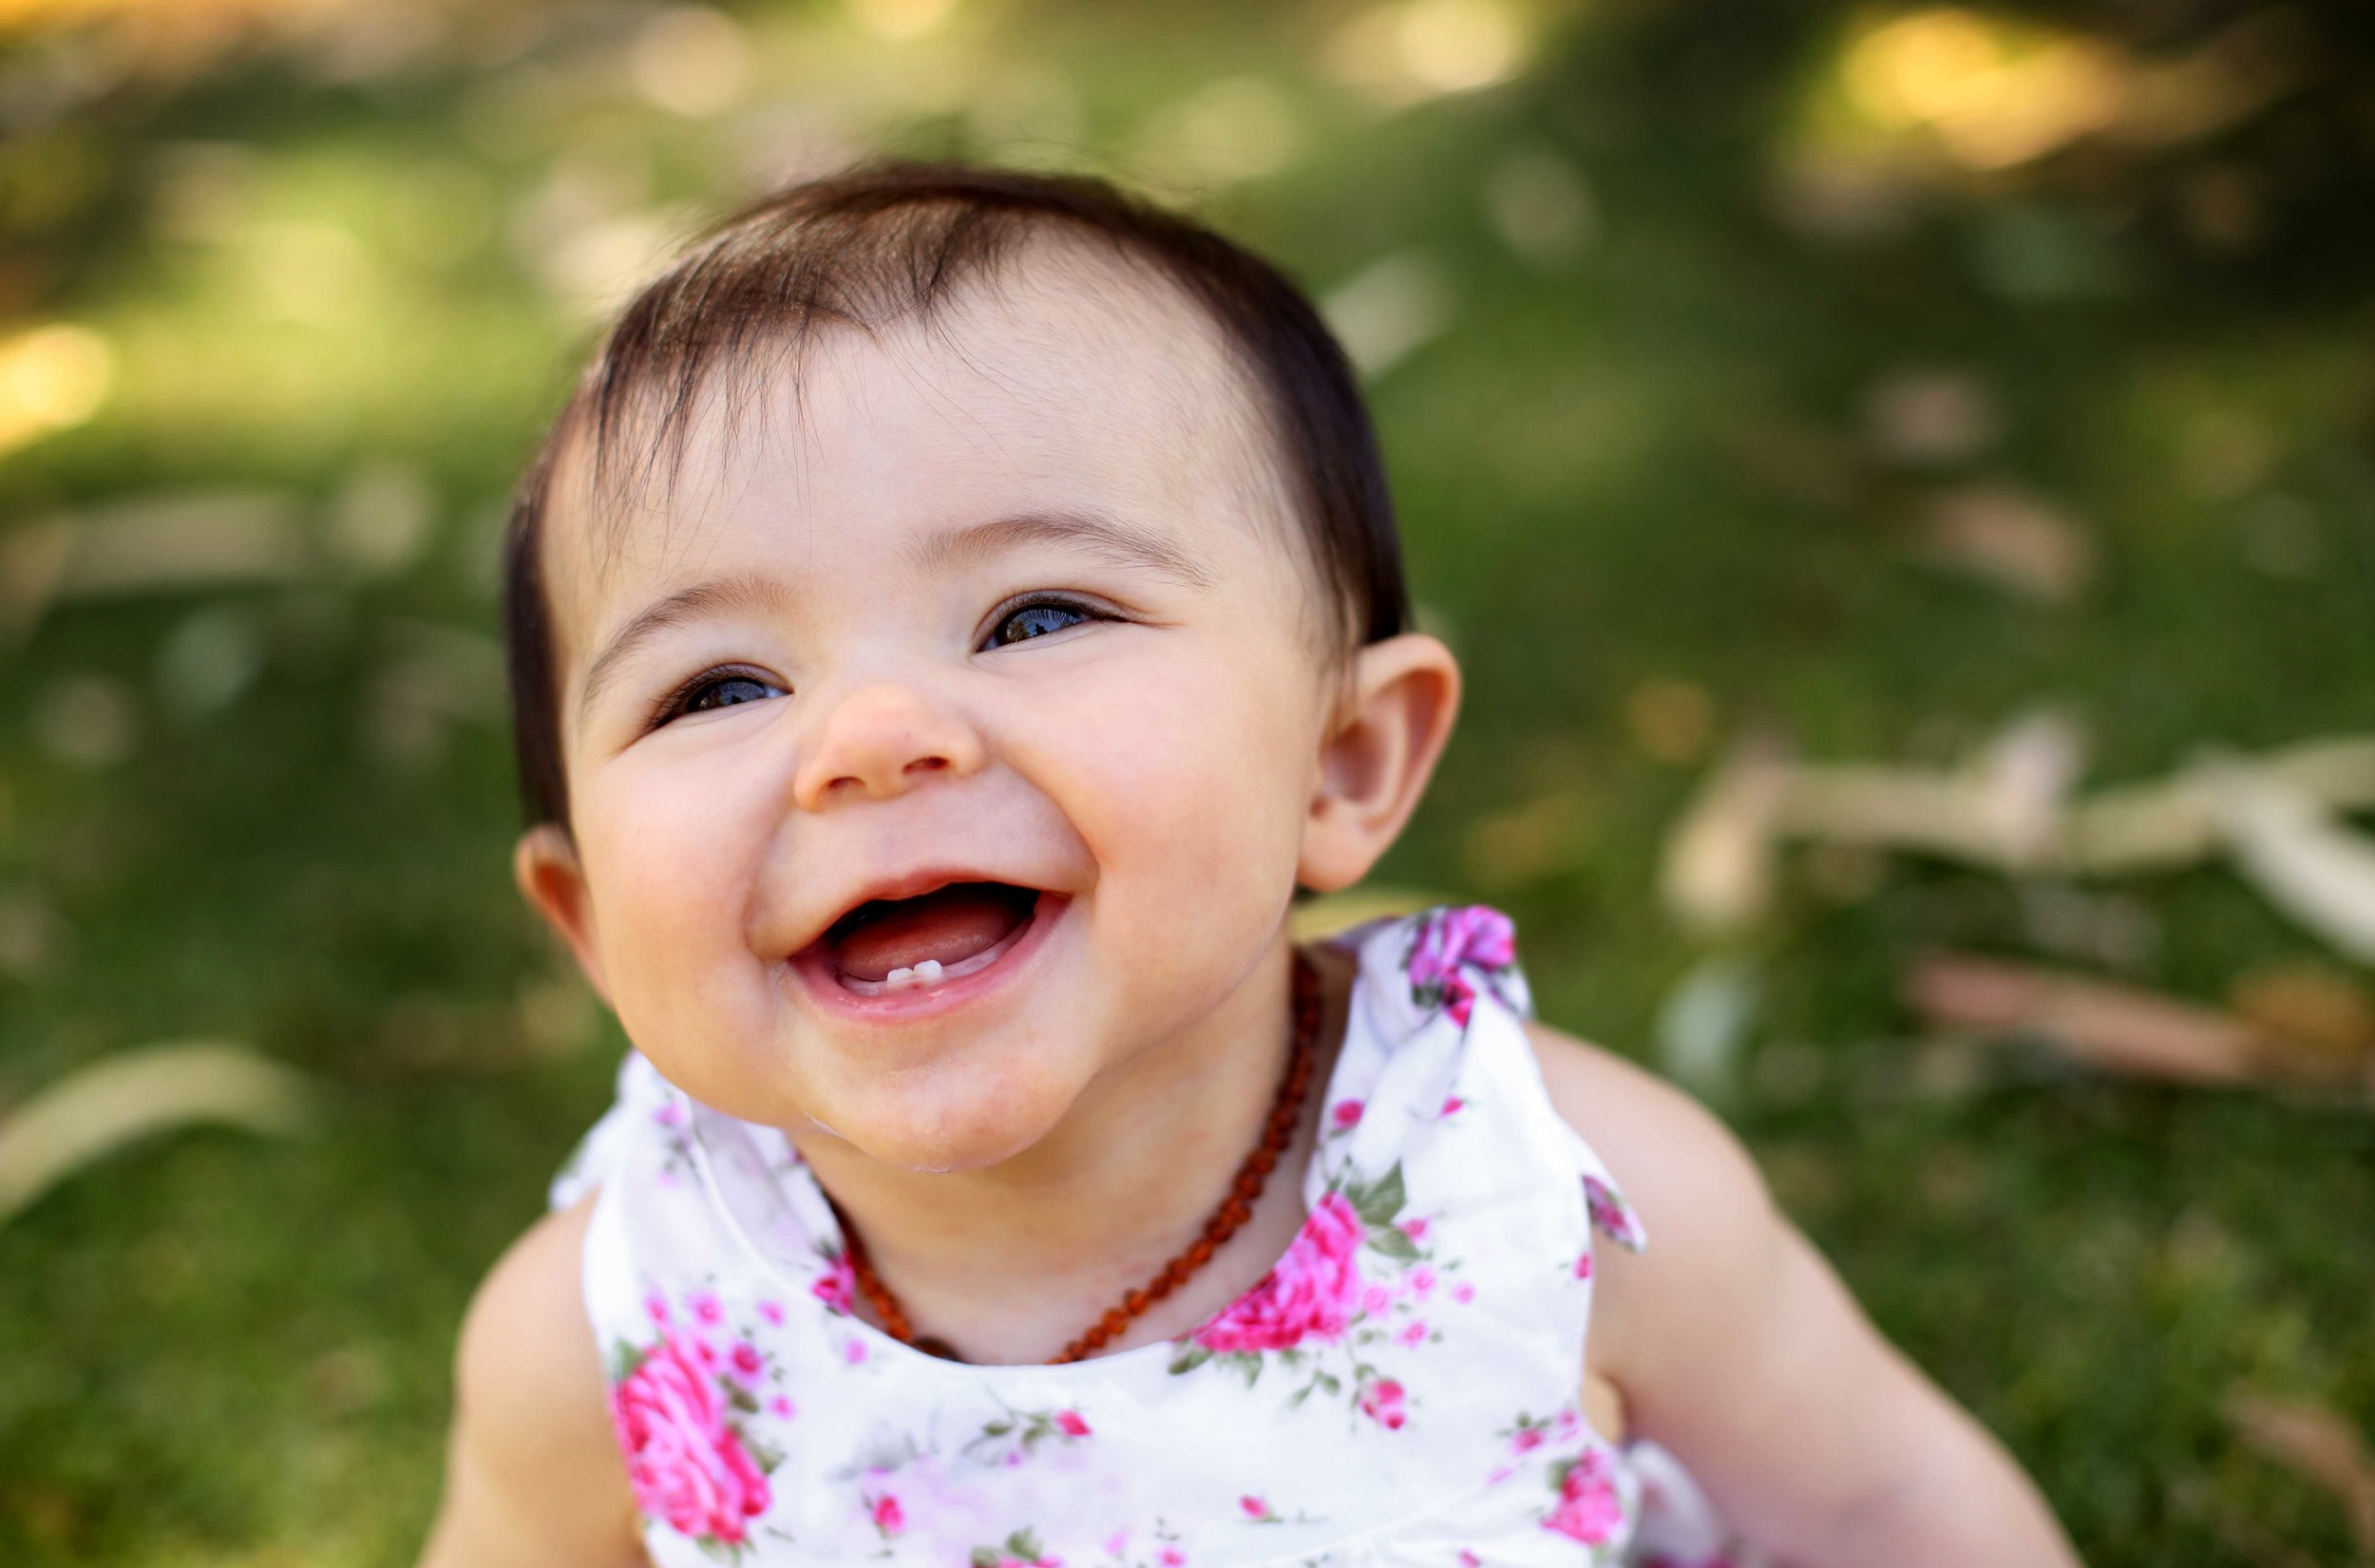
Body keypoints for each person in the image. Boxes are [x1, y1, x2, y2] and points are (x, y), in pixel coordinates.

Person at [416, 161, 2081, 1568]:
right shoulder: (605, 1333)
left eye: (1037, 614)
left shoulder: (1554, 1199)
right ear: (584, 924)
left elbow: (1882, 1503)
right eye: (718, 687)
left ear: (1341, 767)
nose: (869, 737)